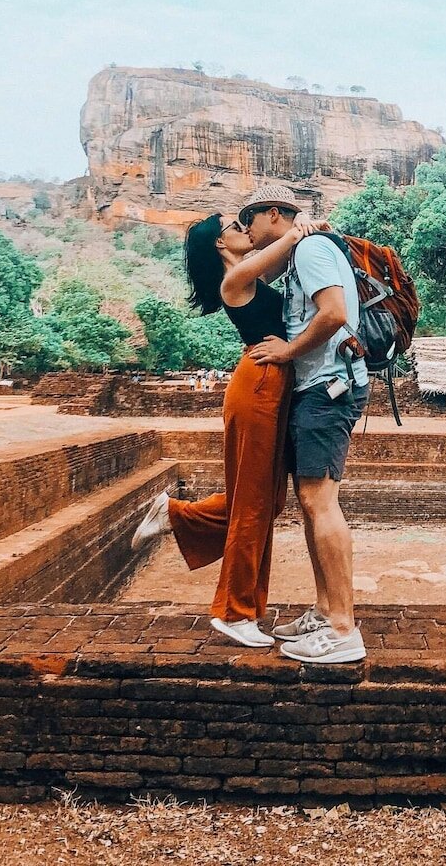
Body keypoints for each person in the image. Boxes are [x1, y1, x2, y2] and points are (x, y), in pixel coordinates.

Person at [132, 207, 318, 648]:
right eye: (236, 228)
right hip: (257, 386)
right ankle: (236, 613)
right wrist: (299, 230)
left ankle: (177, 515)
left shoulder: (253, 278)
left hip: (274, 386)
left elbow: (278, 263)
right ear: (221, 243)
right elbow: (279, 249)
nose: (244, 230)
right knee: (253, 505)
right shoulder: (233, 282)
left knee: (264, 502)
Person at [242, 184, 369, 664]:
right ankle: (324, 608)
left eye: (248, 222)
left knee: (320, 502)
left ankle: (342, 629)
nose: (247, 232)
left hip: (328, 386)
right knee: (311, 500)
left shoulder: (313, 249)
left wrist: (288, 351)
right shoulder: (302, 249)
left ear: (271, 214)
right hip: (318, 388)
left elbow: (334, 314)